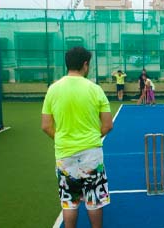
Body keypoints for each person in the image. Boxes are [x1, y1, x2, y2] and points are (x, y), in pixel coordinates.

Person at [41, 47, 113, 228]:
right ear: (85, 64)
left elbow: (46, 126)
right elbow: (107, 125)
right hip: (92, 154)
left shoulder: (53, 89)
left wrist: (62, 140)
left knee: (69, 202)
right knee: (94, 200)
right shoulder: (95, 89)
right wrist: (91, 138)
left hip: (64, 153)